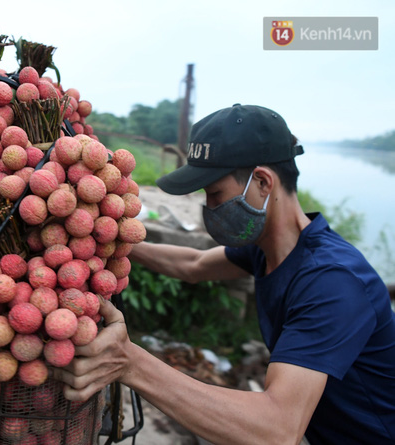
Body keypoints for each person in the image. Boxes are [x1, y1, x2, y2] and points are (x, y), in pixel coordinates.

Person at [53, 104, 395, 444]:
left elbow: (278, 430)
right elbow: (193, 265)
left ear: (262, 181)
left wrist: (130, 363)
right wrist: (113, 236)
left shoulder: (332, 281)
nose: (209, 207)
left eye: (215, 194)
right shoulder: (269, 247)